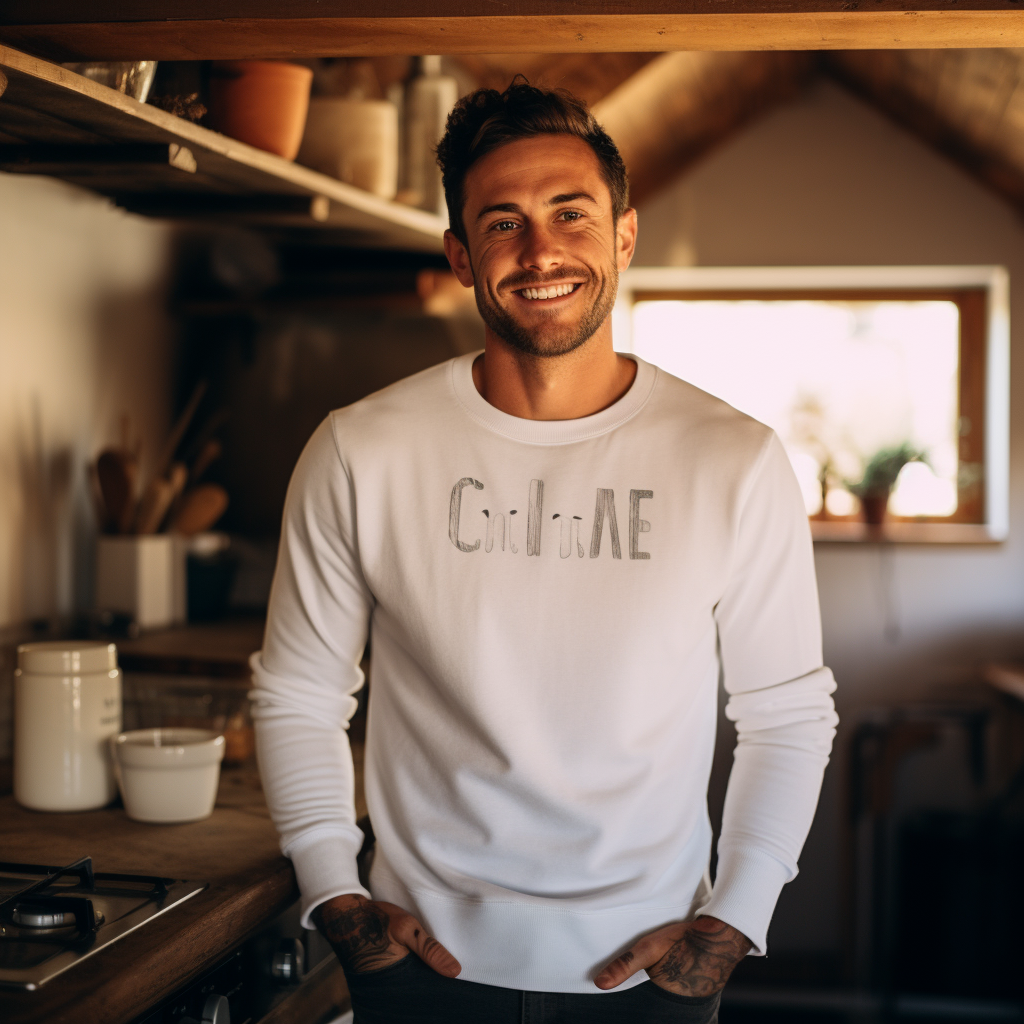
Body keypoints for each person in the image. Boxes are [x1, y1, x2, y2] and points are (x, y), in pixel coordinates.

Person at [251, 80, 838, 1024]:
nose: (540, 250)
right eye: (502, 223)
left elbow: (786, 715)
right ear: (459, 255)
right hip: (420, 972)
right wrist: (337, 897)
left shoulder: (732, 457)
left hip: (656, 974)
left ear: (623, 235)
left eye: (572, 213)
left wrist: (733, 923)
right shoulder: (361, 448)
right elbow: (299, 693)